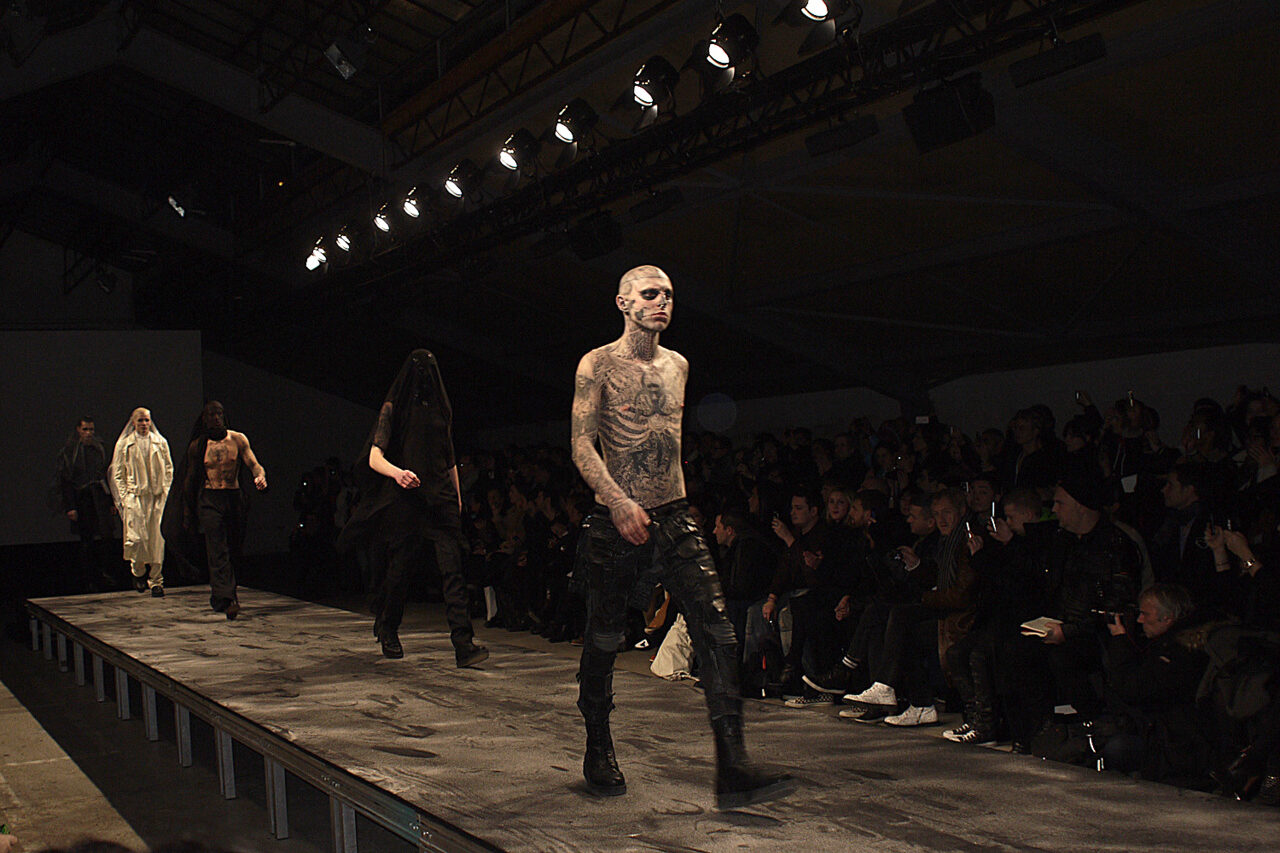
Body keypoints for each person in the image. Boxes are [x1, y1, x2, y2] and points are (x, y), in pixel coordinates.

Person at [570, 265, 791, 808]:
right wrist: (618, 501)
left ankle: (732, 763)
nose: (661, 302)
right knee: (603, 640)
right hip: (614, 519)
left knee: (718, 630)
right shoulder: (596, 364)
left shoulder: (678, 366)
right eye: (650, 294)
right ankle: (598, 745)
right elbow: (581, 444)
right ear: (623, 302)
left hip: (673, 515)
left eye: (668, 295)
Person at [337, 350, 487, 667]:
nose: (425, 374)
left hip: (440, 499)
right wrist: (398, 474)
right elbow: (374, 457)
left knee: (453, 571)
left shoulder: (442, 409)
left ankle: (463, 644)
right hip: (408, 500)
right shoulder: (393, 408)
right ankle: (387, 628)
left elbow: (449, 458)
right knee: (400, 570)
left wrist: (457, 497)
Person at [181, 401, 267, 619]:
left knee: (233, 547)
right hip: (210, 498)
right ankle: (228, 598)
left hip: (233, 497)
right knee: (217, 548)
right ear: (205, 419)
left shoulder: (237, 439)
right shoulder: (199, 446)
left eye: (219, 413)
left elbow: (253, 463)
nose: (216, 418)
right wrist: (188, 510)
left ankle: (221, 596)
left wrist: (260, 476)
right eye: (211, 414)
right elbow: (191, 479)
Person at [109, 408, 173, 596]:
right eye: (140, 420)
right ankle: (137, 571)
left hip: (156, 498)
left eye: (146, 420)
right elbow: (117, 473)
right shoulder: (124, 444)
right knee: (137, 539)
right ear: (133, 422)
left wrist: (165, 492)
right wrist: (124, 496)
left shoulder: (160, 442)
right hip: (135, 498)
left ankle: (156, 581)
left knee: (156, 540)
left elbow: (168, 469)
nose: (144, 424)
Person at [55, 416, 118, 591]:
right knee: (87, 540)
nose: (89, 433)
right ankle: (88, 577)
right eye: (85, 429)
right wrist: (70, 506)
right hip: (82, 499)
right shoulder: (71, 452)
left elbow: (108, 476)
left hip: (100, 497)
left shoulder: (100, 449)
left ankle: (106, 573)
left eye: (91, 429)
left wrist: (113, 501)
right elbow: (66, 481)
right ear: (78, 430)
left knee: (107, 537)